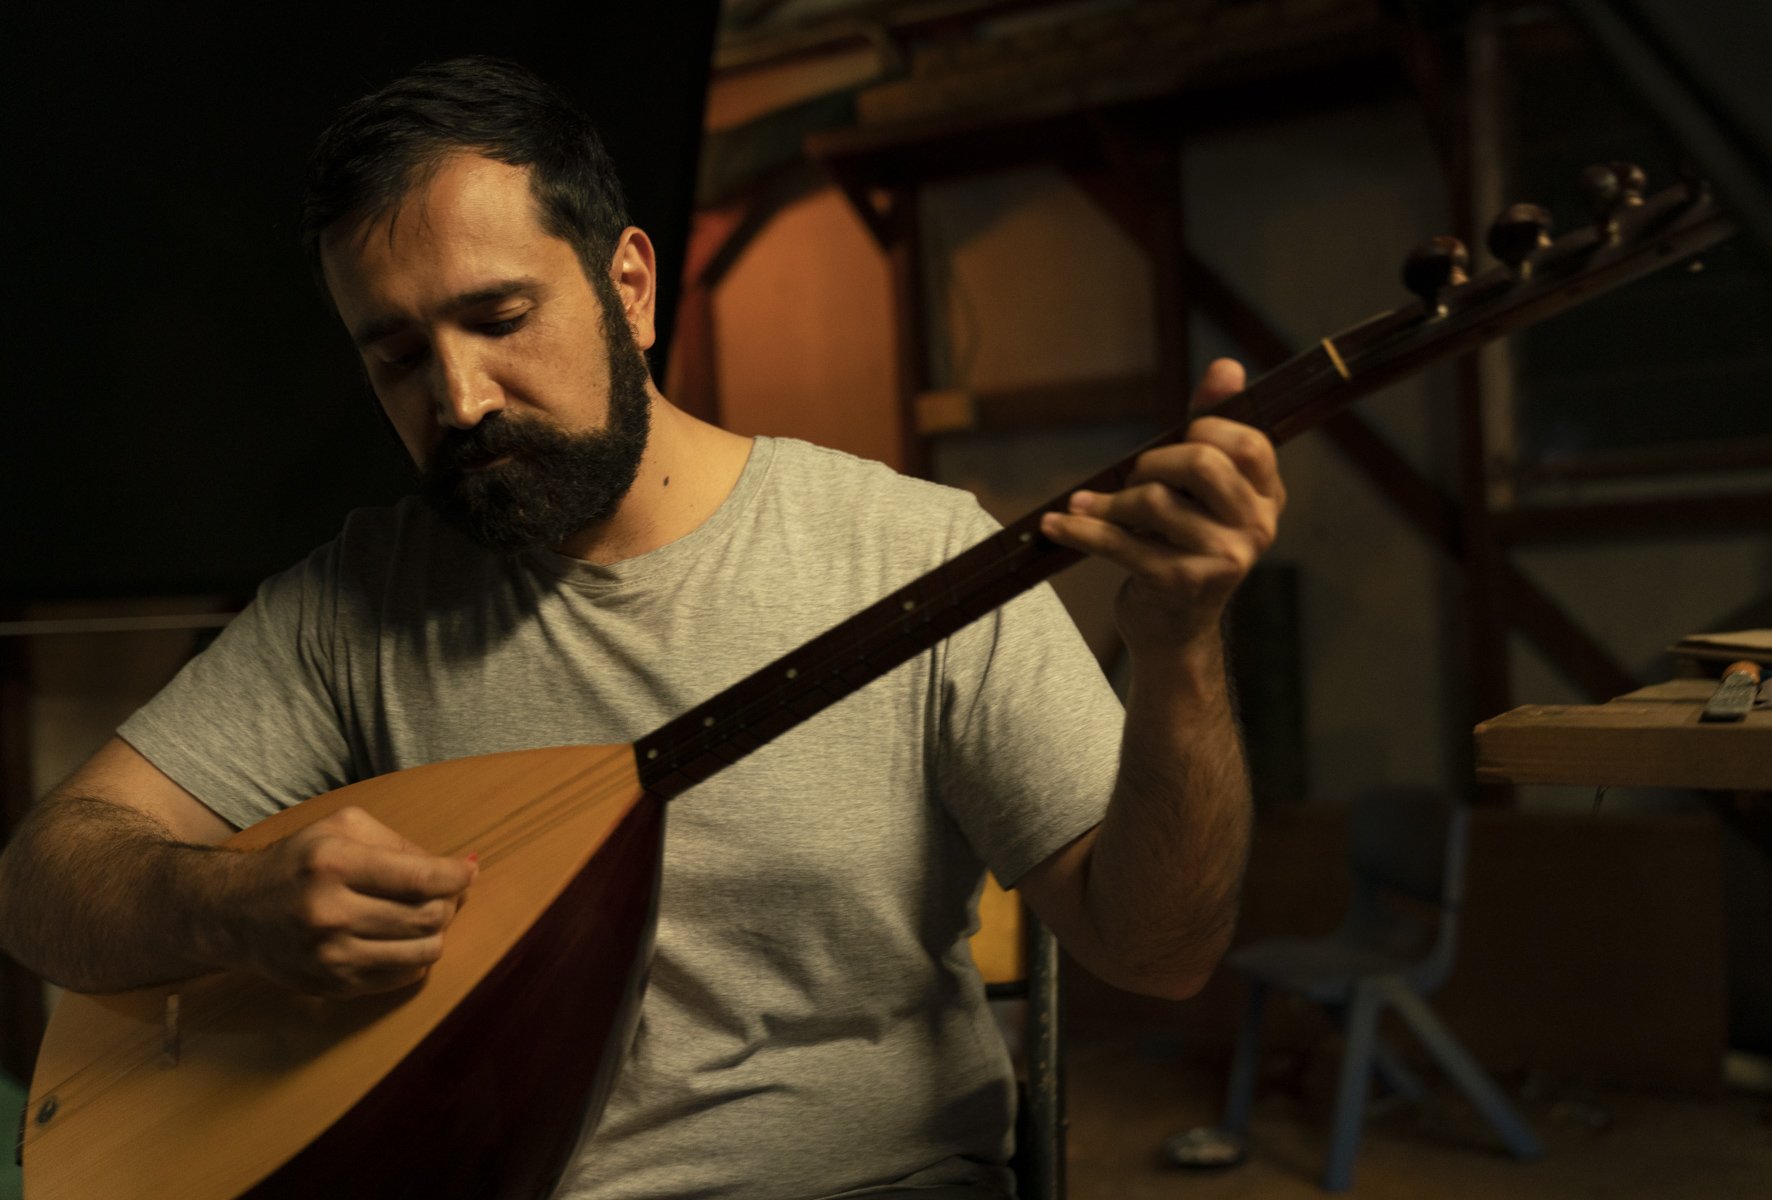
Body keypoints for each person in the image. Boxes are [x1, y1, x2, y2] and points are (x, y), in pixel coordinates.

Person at [0, 56, 1284, 1199]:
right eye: (397, 356)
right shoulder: (359, 603)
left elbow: (1159, 951)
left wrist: (1179, 649)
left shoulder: (916, 555)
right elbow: (41, 882)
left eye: (500, 320)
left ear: (630, 285)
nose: (460, 398)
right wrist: (231, 903)